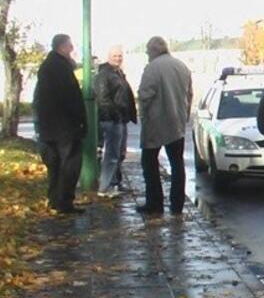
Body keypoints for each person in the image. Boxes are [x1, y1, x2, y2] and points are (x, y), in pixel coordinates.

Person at [137, 36, 193, 214]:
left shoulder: (152, 68)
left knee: (149, 162)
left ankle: (155, 203)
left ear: (153, 50)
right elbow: (189, 94)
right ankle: (177, 206)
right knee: (177, 164)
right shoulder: (182, 66)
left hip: (156, 122)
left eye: (147, 51)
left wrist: (143, 115)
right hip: (177, 123)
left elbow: (145, 95)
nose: (147, 54)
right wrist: (184, 116)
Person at [33, 34, 87, 214]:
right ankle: (64, 202)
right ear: (61, 47)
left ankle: (54, 200)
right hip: (64, 127)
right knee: (69, 165)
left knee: (55, 166)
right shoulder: (61, 68)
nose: (72, 49)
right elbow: (70, 98)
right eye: (70, 45)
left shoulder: (47, 66)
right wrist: (80, 120)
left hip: (49, 126)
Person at [95, 46, 137, 197]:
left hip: (120, 119)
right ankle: (105, 187)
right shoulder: (105, 74)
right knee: (112, 155)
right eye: (114, 56)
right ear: (108, 57)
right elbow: (102, 98)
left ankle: (114, 184)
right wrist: (115, 114)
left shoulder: (118, 73)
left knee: (119, 154)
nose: (118, 58)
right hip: (111, 120)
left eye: (119, 56)